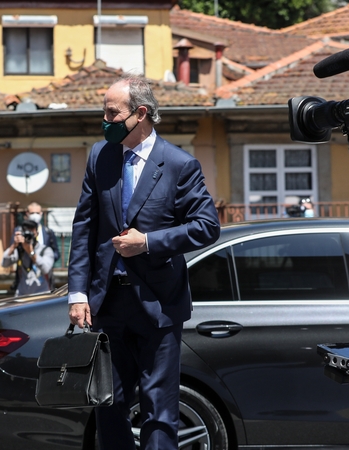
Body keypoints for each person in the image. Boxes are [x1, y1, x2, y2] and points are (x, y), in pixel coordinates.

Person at [67, 75, 220, 449]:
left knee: (159, 408)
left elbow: (207, 227)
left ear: (140, 113)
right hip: (108, 304)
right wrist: (77, 293)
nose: (104, 121)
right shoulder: (99, 156)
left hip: (158, 304)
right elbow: (84, 228)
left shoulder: (180, 164)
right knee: (109, 405)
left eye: (111, 113)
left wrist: (148, 242)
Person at [2, 219, 55, 296]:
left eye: (31, 233)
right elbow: (4, 263)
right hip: (22, 294)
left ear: (37, 233)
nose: (29, 237)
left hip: (41, 294)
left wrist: (31, 252)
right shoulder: (20, 250)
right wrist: (13, 246)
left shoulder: (46, 250)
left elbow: (46, 269)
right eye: (26, 233)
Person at [25, 201, 60, 266]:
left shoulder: (48, 231)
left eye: (37, 213)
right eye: (32, 213)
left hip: (44, 271)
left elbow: (56, 253)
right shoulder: (21, 231)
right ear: (27, 213)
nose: (35, 215)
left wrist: (48, 261)